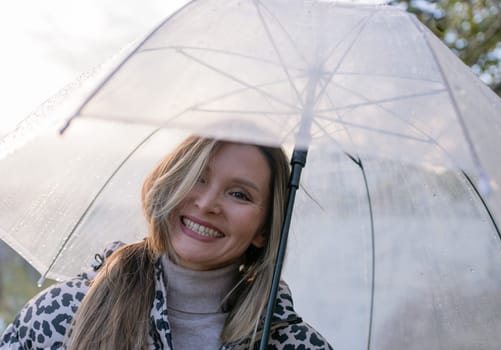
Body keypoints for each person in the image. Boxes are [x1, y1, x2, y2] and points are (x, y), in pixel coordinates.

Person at [1, 136, 333, 349]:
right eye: (198, 178)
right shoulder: (63, 314)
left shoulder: (296, 345)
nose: (207, 204)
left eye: (239, 194)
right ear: (170, 184)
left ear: (264, 229)